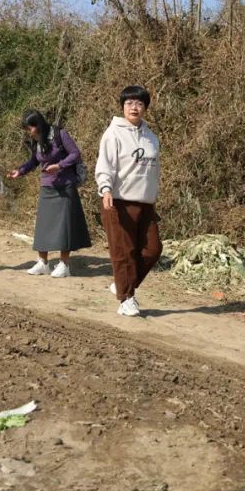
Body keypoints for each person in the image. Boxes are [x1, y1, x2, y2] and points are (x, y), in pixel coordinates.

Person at [94, 85, 162, 317]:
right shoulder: (113, 133)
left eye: (139, 103)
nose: (134, 108)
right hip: (118, 201)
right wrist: (105, 189)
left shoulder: (151, 137)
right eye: (129, 103)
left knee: (153, 249)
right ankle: (126, 299)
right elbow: (105, 165)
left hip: (145, 202)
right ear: (122, 107)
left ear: (145, 108)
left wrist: (152, 196)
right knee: (124, 251)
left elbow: (154, 171)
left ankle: (123, 284)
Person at [6, 110, 92, 278]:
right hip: (47, 187)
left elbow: (75, 153)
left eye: (29, 128)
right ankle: (42, 263)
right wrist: (20, 171)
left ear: (38, 125)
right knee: (43, 226)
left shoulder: (59, 134)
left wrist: (59, 166)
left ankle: (64, 265)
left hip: (65, 187)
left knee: (64, 227)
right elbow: (34, 160)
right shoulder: (36, 139)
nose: (28, 132)